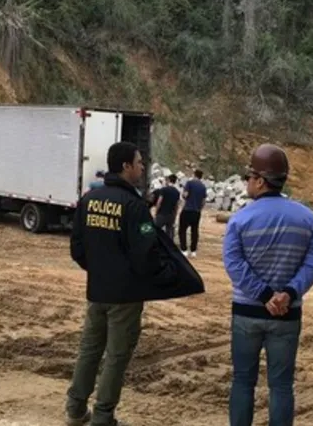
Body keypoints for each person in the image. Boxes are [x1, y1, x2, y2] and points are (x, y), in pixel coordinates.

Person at [66, 142, 201, 426]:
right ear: (126, 166)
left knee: (90, 349)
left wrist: (99, 270)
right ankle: (103, 416)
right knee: (116, 356)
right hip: (125, 296)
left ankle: (75, 409)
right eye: (139, 162)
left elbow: (77, 247)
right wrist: (166, 278)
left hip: (97, 290)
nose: (142, 168)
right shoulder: (134, 206)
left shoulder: (89, 199)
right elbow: (146, 254)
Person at [222, 143, 313, 426]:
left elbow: (233, 263)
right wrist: (288, 293)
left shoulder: (240, 220)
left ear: (260, 180)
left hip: (247, 313)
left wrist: (264, 294)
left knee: (243, 381)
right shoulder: (307, 218)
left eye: (249, 177)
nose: (246, 182)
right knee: (281, 386)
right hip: (287, 314)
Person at [178, 169, 208, 258]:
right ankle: (193, 250)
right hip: (197, 212)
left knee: (182, 230)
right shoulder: (203, 187)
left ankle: (184, 250)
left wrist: (183, 195)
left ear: (194, 175)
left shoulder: (189, 183)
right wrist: (199, 209)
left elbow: (185, 195)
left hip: (187, 210)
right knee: (194, 231)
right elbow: (203, 201)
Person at [152, 174, 181, 240]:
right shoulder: (177, 192)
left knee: (153, 228)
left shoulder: (164, 189)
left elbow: (159, 202)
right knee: (169, 233)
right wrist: (175, 216)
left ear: (168, 180)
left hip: (162, 214)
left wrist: (156, 212)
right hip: (171, 215)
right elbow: (176, 206)